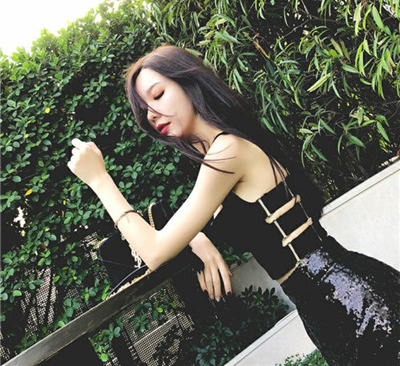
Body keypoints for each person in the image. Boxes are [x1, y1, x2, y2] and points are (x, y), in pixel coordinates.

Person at [68, 45, 400, 365]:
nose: (152, 115)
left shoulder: (227, 152)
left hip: (348, 297)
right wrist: (198, 240)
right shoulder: (224, 152)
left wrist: (100, 180)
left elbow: (155, 251)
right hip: (324, 300)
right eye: (144, 111)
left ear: (188, 83)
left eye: (158, 95)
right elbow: (195, 225)